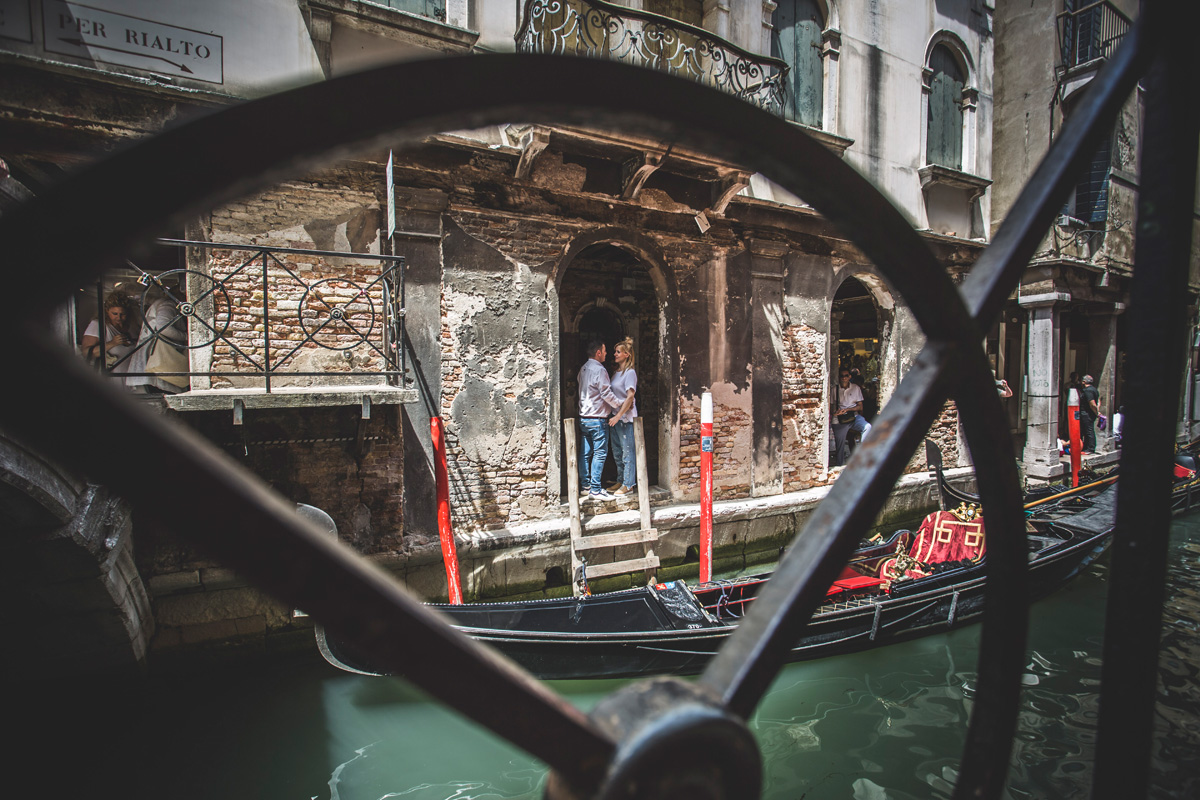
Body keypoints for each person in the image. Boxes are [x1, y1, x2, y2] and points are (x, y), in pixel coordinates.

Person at [577, 338, 621, 502]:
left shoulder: (583, 369)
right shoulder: (600, 370)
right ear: (598, 353)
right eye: (605, 350)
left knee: (585, 453)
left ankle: (586, 486)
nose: (607, 353)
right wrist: (620, 404)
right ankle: (596, 489)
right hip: (597, 418)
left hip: (584, 418)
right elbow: (606, 393)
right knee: (600, 454)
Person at [126, 282, 188, 394]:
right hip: (157, 358)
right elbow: (163, 328)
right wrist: (186, 337)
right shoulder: (168, 305)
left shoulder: (160, 304)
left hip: (149, 360)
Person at [607, 337, 638, 497]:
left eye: (618, 352)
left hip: (625, 419)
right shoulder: (616, 373)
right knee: (617, 452)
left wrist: (618, 416)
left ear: (626, 354)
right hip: (616, 417)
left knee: (627, 452)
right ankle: (621, 480)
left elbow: (630, 396)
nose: (615, 354)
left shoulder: (630, 373)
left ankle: (628, 484)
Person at [80, 292, 137, 373]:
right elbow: (86, 353)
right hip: (110, 379)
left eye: (123, 314)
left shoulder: (132, 327)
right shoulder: (98, 325)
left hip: (131, 379)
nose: (119, 317)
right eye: (114, 314)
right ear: (107, 311)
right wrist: (112, 343)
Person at [831, 368, 869, 466]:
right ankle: (840, 466)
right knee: (840, 445)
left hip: (854, 416)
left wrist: (848, 410)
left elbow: (860, 406)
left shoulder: (855, 388)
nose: (844, 378)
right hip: (840, 419)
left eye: (846, 375)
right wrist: (836, 412)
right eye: (842, 376)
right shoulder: (834, 389)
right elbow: (831, 407)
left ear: (849, 377)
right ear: (839, 377)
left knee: (867, 427)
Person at [1079, 374, 1100, 454]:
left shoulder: (1088, 391)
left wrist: (1096, 412)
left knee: (1088, 430)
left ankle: (1090, 448)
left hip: (1087, 413)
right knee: (1086, 430)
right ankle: (1086, 447)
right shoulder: (1094, 390)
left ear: (1084, 382)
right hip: (1089, 413)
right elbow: (1098, 401)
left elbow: (1092, 403)